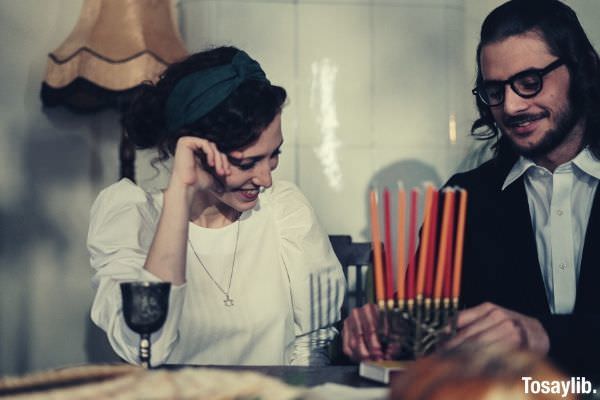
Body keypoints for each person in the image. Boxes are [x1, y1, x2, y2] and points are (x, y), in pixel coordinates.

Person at [343, 0, 600, 377]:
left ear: (580, 70)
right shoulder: (462, 200)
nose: (510, 106)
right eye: (494, 91)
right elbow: (425, 325)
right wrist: (386, 329)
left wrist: (543, 335)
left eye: (529, 82)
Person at [87, 46, 345, 366]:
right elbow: (147, 348)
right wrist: (180, 193)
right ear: (194, 151)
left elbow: (311, 345)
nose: (265, 178)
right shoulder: (133, 216)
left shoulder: (284, 210)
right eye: (247, 162)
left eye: (274, 154)